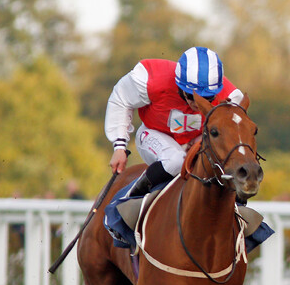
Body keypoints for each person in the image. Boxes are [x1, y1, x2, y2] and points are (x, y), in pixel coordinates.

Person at [105, 46, 245, 198]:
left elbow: (231, 130)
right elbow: (121, 99)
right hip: (153, 133)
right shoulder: (151, 78)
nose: (198, 104)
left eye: (208, 98)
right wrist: (119, 147)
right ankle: (130, 197)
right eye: (192, 96)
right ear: (180, 86)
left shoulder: (231, 98)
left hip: (197, 142)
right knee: (177, 161)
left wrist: (203, 138)